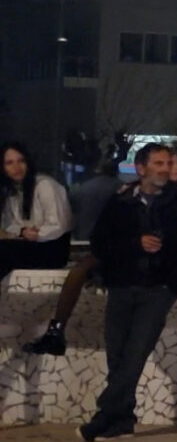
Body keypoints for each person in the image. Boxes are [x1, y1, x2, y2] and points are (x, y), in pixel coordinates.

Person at [80, 144, 177, 442]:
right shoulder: (121, 202)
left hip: (157, 290)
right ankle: (121, 421)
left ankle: (103, 415)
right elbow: (100, 244)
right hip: (122, 286)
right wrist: (136, 244)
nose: (165, 169)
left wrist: (171, 286)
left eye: (167, 163)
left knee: (135, 355)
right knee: (118, 356)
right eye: (158, 163)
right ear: (141, 168)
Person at [21, 150, 125, 357]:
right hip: (105, 247)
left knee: (81, 271)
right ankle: (56, 331)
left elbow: (72, 212)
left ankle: (56, 330)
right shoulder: (119, 188)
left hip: (93, 242)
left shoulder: (84, 189)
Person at [0, 143, 72, 290]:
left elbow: (60, 224)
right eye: (9, 163)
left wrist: (37, 234)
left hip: (53, 246)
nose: (17, 167)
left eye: (21, 161)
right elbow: (8, 224)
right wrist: (22, 231)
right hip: (27, 243)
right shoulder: (12, 192)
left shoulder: (45, 185)